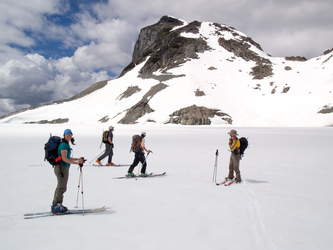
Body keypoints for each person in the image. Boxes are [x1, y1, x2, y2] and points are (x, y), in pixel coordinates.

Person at [52, 129, 84, 214]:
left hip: (64, 167)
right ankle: (56, 206)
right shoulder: (63, 145)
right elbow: (64, 158)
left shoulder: (66, 145)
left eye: (70, 134)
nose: (69, 135)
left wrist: (77, 159)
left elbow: (67, 157)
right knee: (61, 187)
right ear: (64, 135)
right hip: (61, 168)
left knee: (61, 186)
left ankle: (56, 205)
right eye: (67, 134)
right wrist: (76, 162)